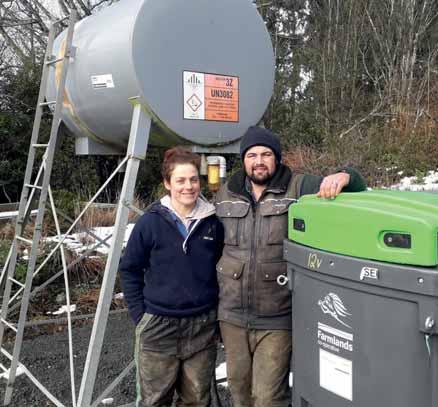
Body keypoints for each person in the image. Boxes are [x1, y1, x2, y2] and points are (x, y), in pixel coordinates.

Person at [215, 126, 367, 407]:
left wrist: (345, 175)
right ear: (243, 160)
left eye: (266, 154)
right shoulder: (226, 193)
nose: (259, 161)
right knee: (239, 392)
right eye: (252, 155)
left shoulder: (300, 187)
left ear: (277, 158)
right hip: (232, 315)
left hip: (277, 316)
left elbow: (355, 189)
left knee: (268, 397)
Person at [119, 147, 224, 407]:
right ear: (167, 183)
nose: (188, 186)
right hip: (159, 326)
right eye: (180, 180)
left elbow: (221, 268)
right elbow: (130, 269)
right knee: (155, 401)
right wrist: (141, 316)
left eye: (193, 179)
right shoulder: (150, 223)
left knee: (197, 400)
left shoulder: (213, 222)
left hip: (202, 325)